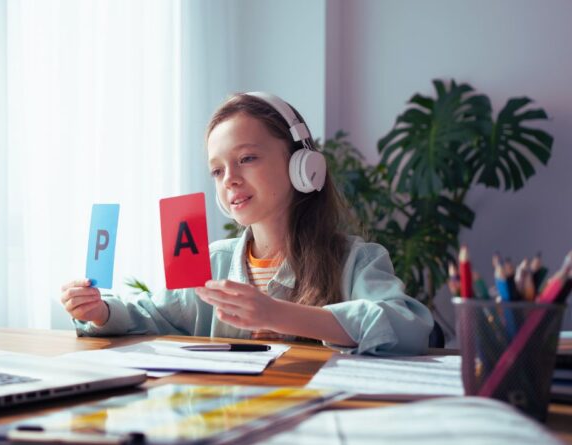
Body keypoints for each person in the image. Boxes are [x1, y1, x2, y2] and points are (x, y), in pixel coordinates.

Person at [59, 92, 433, 355]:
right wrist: (101, 312)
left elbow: (408, 325)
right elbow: (151, 314)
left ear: (302, 165)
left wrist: (278, 314)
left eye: (247, 158)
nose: (230, 179)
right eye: (217, 170)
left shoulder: (357, 259)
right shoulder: (210, 263)